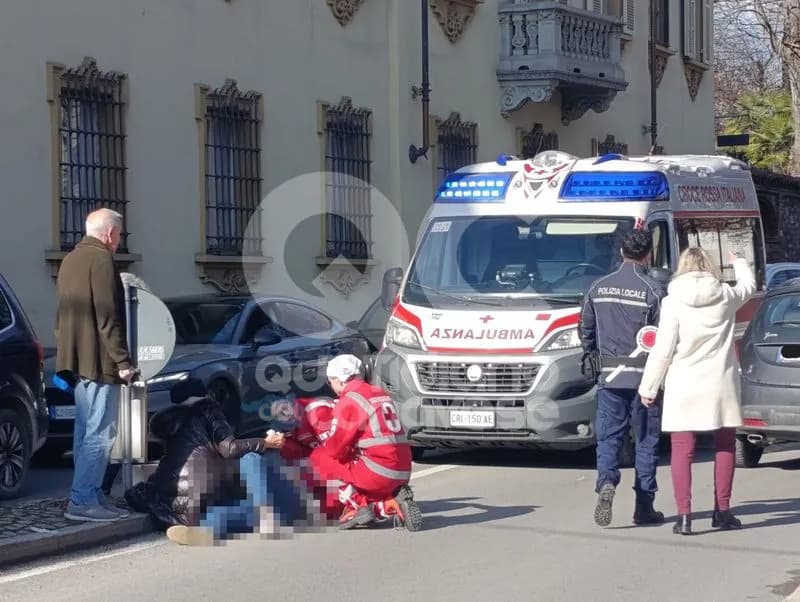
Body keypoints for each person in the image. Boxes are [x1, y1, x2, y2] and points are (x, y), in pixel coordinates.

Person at [638, 248, 757, 535]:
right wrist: (739, 261)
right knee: (725, 445)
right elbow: (749, 286)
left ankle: (684, 517)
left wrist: (649, 386)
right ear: (709, 266)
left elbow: (663, 349)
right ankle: (723, 511)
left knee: (682, 449)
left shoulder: (672, 301)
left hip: (683, 383)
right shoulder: (726, 296)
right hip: (720, 381)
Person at [124, 378, 307, 546]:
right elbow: (230, 448)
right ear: (206, 395)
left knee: (216, 515)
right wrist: (266, 442)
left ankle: (205, 530)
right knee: (252, 459)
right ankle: (267, 514)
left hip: (181, 508)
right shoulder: (208, 410)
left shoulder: (173, 422)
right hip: (207, 493)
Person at [579, 228, 666, 528]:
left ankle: (606, 482)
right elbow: (663, 337)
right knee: (646, 442)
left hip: (610, 378)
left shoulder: (597, 287)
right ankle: (644, 506)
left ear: (621, 252)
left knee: (609, 439)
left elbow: (586, 330)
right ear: (648, 255)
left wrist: (593, 355)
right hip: (645, 381)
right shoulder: (654, 290)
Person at [55, 208, 135, 522]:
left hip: (77, 360)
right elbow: (107, 316)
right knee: (101, 434)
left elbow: (63, 314)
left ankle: (91, 494)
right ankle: (83, 500)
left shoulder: (70, 259)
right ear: (110, 233)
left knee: (85, 432)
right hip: (100, 362)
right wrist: (123, 361)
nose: (119, 241)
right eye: (119, 234)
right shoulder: (101, 260)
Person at [308, 354, 422, 531]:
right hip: (403, 467)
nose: (331, 387)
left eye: (330, 381)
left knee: (320, 458)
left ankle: (359, 507)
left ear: (339, 380)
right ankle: (389, 503)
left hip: (379, 471)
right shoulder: (378, 392)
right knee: (355, 462)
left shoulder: (349, 401)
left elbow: (334, 448)